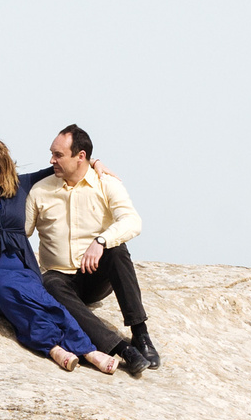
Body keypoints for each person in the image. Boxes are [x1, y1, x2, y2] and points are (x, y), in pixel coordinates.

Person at [0, 138, 121, 374]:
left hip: (23, 270)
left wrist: (93, 162)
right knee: (6, 287)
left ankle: (87, 350)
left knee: (42, 297)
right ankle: (52, 347)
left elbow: (60, 167)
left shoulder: (21, 186)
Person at [27, 124, 160, 372]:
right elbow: (19, 232)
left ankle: (140, 333)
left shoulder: (105, 183)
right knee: (48, 283)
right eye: (52, 153)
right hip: (60, 281)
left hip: (94, 276)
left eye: (58, 155)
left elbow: (133, 221)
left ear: (80, 157)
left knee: (118, 250)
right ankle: (124, 349)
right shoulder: (40, 190)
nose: (51, 160)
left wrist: (101, 241)